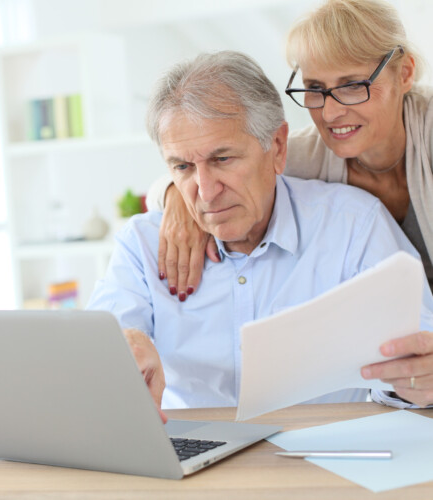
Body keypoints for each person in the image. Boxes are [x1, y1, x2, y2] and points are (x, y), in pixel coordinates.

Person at [88, 50, 433, 419]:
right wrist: (120, 351)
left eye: (223, 159)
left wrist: (417, 383)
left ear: (278, 148)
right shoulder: (141, 245)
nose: (205, 191)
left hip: (320, 456)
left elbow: (418, 364)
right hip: (184, 460)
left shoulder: (354, 226)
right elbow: (101, 348)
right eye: (183, 166)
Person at [148, 0, 433, 298]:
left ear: (404, 74)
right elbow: (190, 169)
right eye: (314, 88)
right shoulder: (301, 154)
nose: (330, 113)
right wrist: (178, 201)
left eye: (352, 86)